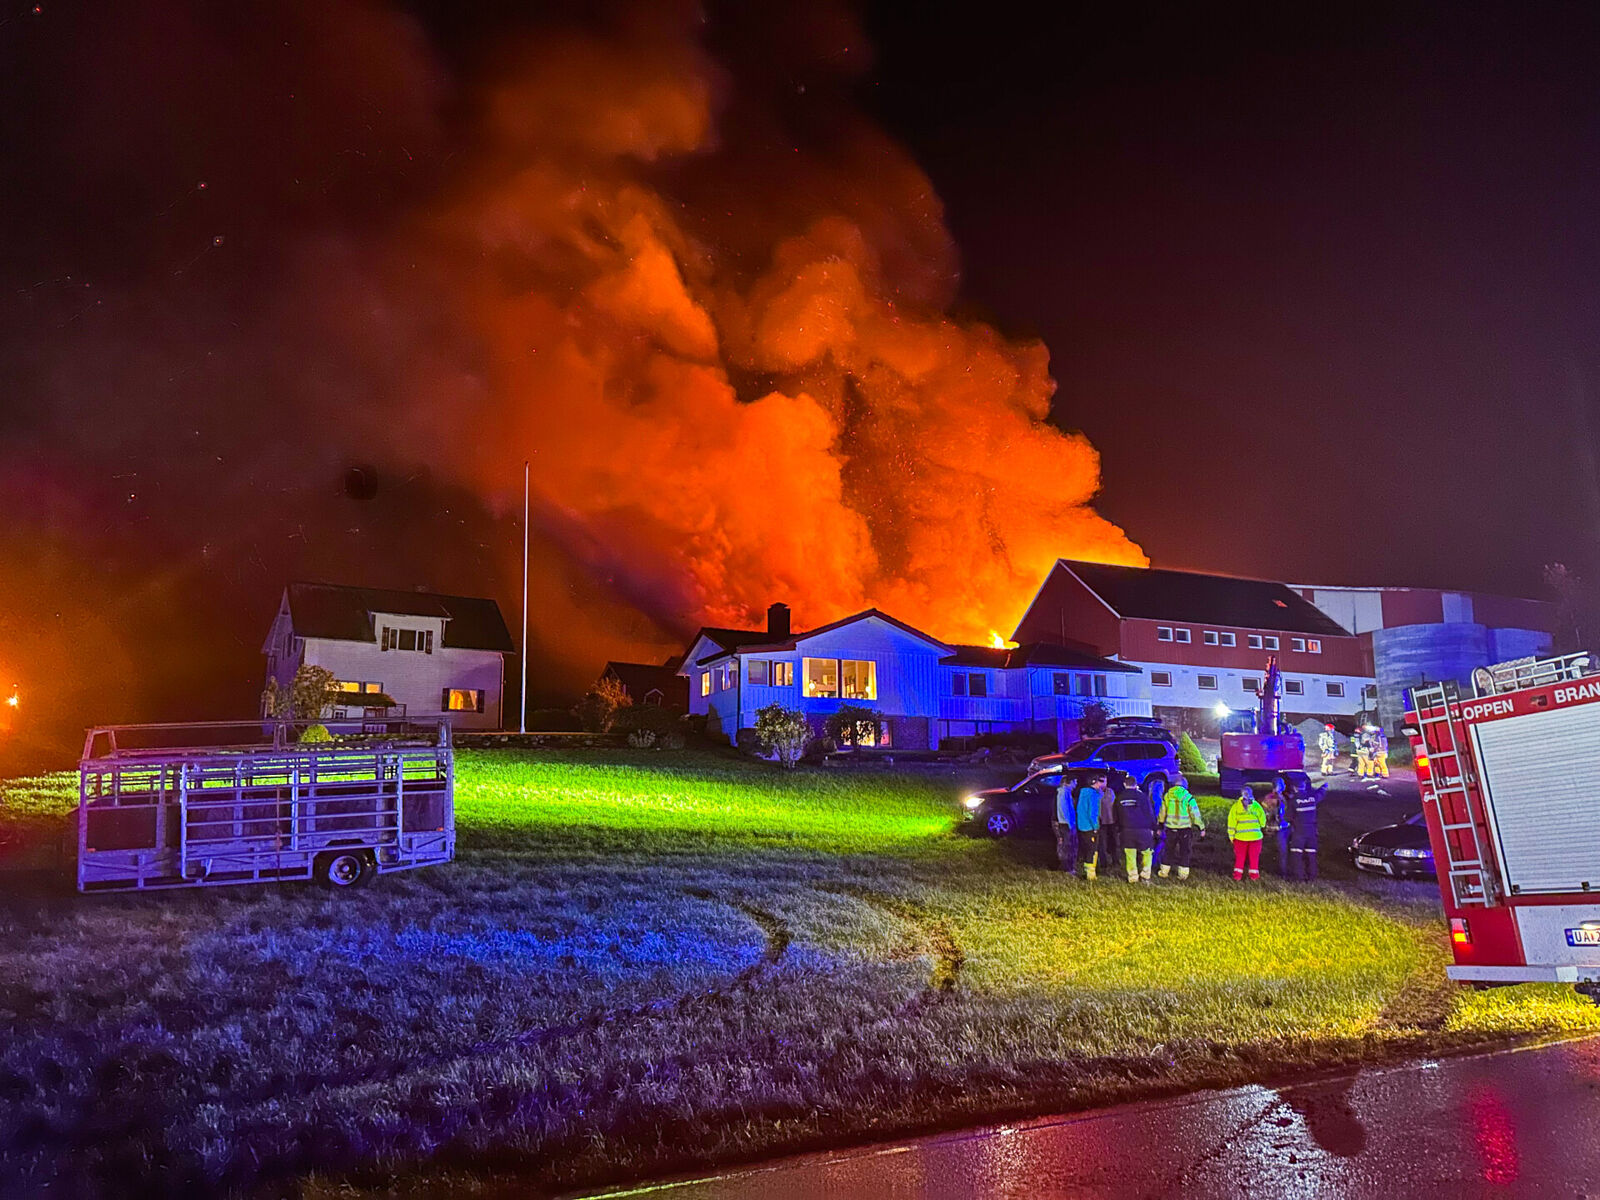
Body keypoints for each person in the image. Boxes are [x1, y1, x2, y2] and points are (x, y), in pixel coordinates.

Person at [1156, 778, 1205, 880]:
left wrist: (1160, 825)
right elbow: (1195, 814)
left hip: (1170, 828)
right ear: (1185, 785)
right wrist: (1201, 827)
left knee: (1168, 851)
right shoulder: (1188, 797)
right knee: (1185, 851)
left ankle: (1164, 872)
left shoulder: (1167, 796)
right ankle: (1182, 875)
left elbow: (1162, 812)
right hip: (1184, 829)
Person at [1114, 774, 1158, 883]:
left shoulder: (1119, 798)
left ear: (1124, 784)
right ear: (1136, 784)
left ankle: (1132, 877)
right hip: (1143, 830)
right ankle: (1145, 875)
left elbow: (1116, 815)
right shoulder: (1142, 797)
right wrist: (1153, 827)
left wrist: (1118, 829)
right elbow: (1150, 813)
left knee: (1130, 854)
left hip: (1126, 830)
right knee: (1147, 853)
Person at [1286, 780, 1327, 880]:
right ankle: (1312, 877)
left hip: (1299, 831)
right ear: (1304, 787)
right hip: (1312, 831)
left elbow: (1288, 817)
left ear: (1294, 788)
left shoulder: (1294, 801)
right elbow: (1320, 794)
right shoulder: (1312, 798)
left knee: (1297, 854)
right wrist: (1324, 787)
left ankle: (1298, 877)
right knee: (1311, 854)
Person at [1227, 787, 1268, 882]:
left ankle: (1237, 876)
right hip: (1255, 837)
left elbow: (1231, 823)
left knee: (1240, 858)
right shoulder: (1256, 806)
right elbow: (1263, 821)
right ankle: (1254, 876)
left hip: (1240, 837)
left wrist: (1231, 836)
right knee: (1254, 858)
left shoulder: (1236, 807)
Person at [1075, 771, 1109, 880]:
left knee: (1086, 849)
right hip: (1090, 827)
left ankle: (1086, 869)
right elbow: (1093, 813)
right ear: (1095, 782)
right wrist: (1096, 827)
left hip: (1082, 825)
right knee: (1092, 850)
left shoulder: (1083, 793)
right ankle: (1091, 874)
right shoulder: (1093, 795)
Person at [1053, 773, 1079, 872]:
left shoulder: (1066, 792)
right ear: (1069, 782)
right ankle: (1067, 868)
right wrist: (1069, 823)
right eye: (1075, 782)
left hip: (1068, 823)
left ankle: (1070, 867)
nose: (1076, 784)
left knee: (1070, 846)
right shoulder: (1063, 792)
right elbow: (1064, 809)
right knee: (1067, 846)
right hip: (1066, 824)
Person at [1099, 769, 1122, 869]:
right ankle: (1103, 863)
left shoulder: (1110, 791)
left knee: (1115, 842)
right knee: (1102, 843)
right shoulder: (1096, 793)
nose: (1103, 783)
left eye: (1105, 781)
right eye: (1101, 781)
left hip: (1112, 821)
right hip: (1101, 822)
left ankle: (1116, 861)